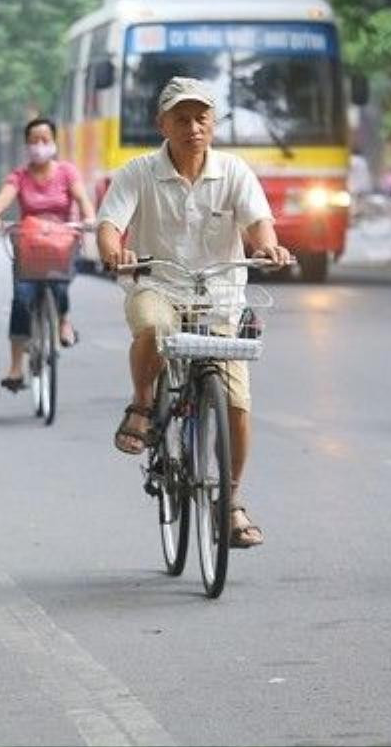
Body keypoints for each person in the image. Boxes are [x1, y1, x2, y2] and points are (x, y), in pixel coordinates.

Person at [96, 77, 290, 549]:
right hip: (158, 285)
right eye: (181, 118)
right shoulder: (138, 172)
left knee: (238, 404)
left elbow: (260, 225)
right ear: (162, 124)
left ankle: (230, 502)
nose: (193, 127)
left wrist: (269, 247)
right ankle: (142, 404)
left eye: (202, 117)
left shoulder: (235, 172)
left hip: (222, 298)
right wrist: (114, 252)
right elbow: (109, 226)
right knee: (153, 325)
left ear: (214, 124)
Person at [0, 117, 96, 391]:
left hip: (61, 243)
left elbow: (84, 203)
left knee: (60, 284)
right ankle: (15, 367)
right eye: (33, 140)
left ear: (54, 142)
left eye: (45, 139)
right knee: (22, 299)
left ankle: (64, 320)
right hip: (29, 246)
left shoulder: (67, 173)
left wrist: (90, 218)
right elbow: (0, 203)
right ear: (26, 145)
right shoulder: (19, 177)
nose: (39, 145)